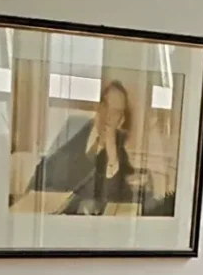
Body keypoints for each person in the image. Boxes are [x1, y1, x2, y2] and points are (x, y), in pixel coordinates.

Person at [24, 80, 136, 214]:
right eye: (106, 106)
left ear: (121, 120)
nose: (109, 116)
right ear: (99, 107)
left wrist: (111, 152)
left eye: (116, 112)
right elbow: (44, 170)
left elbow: (114, 201)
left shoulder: (119, 153)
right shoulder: (75, 128)